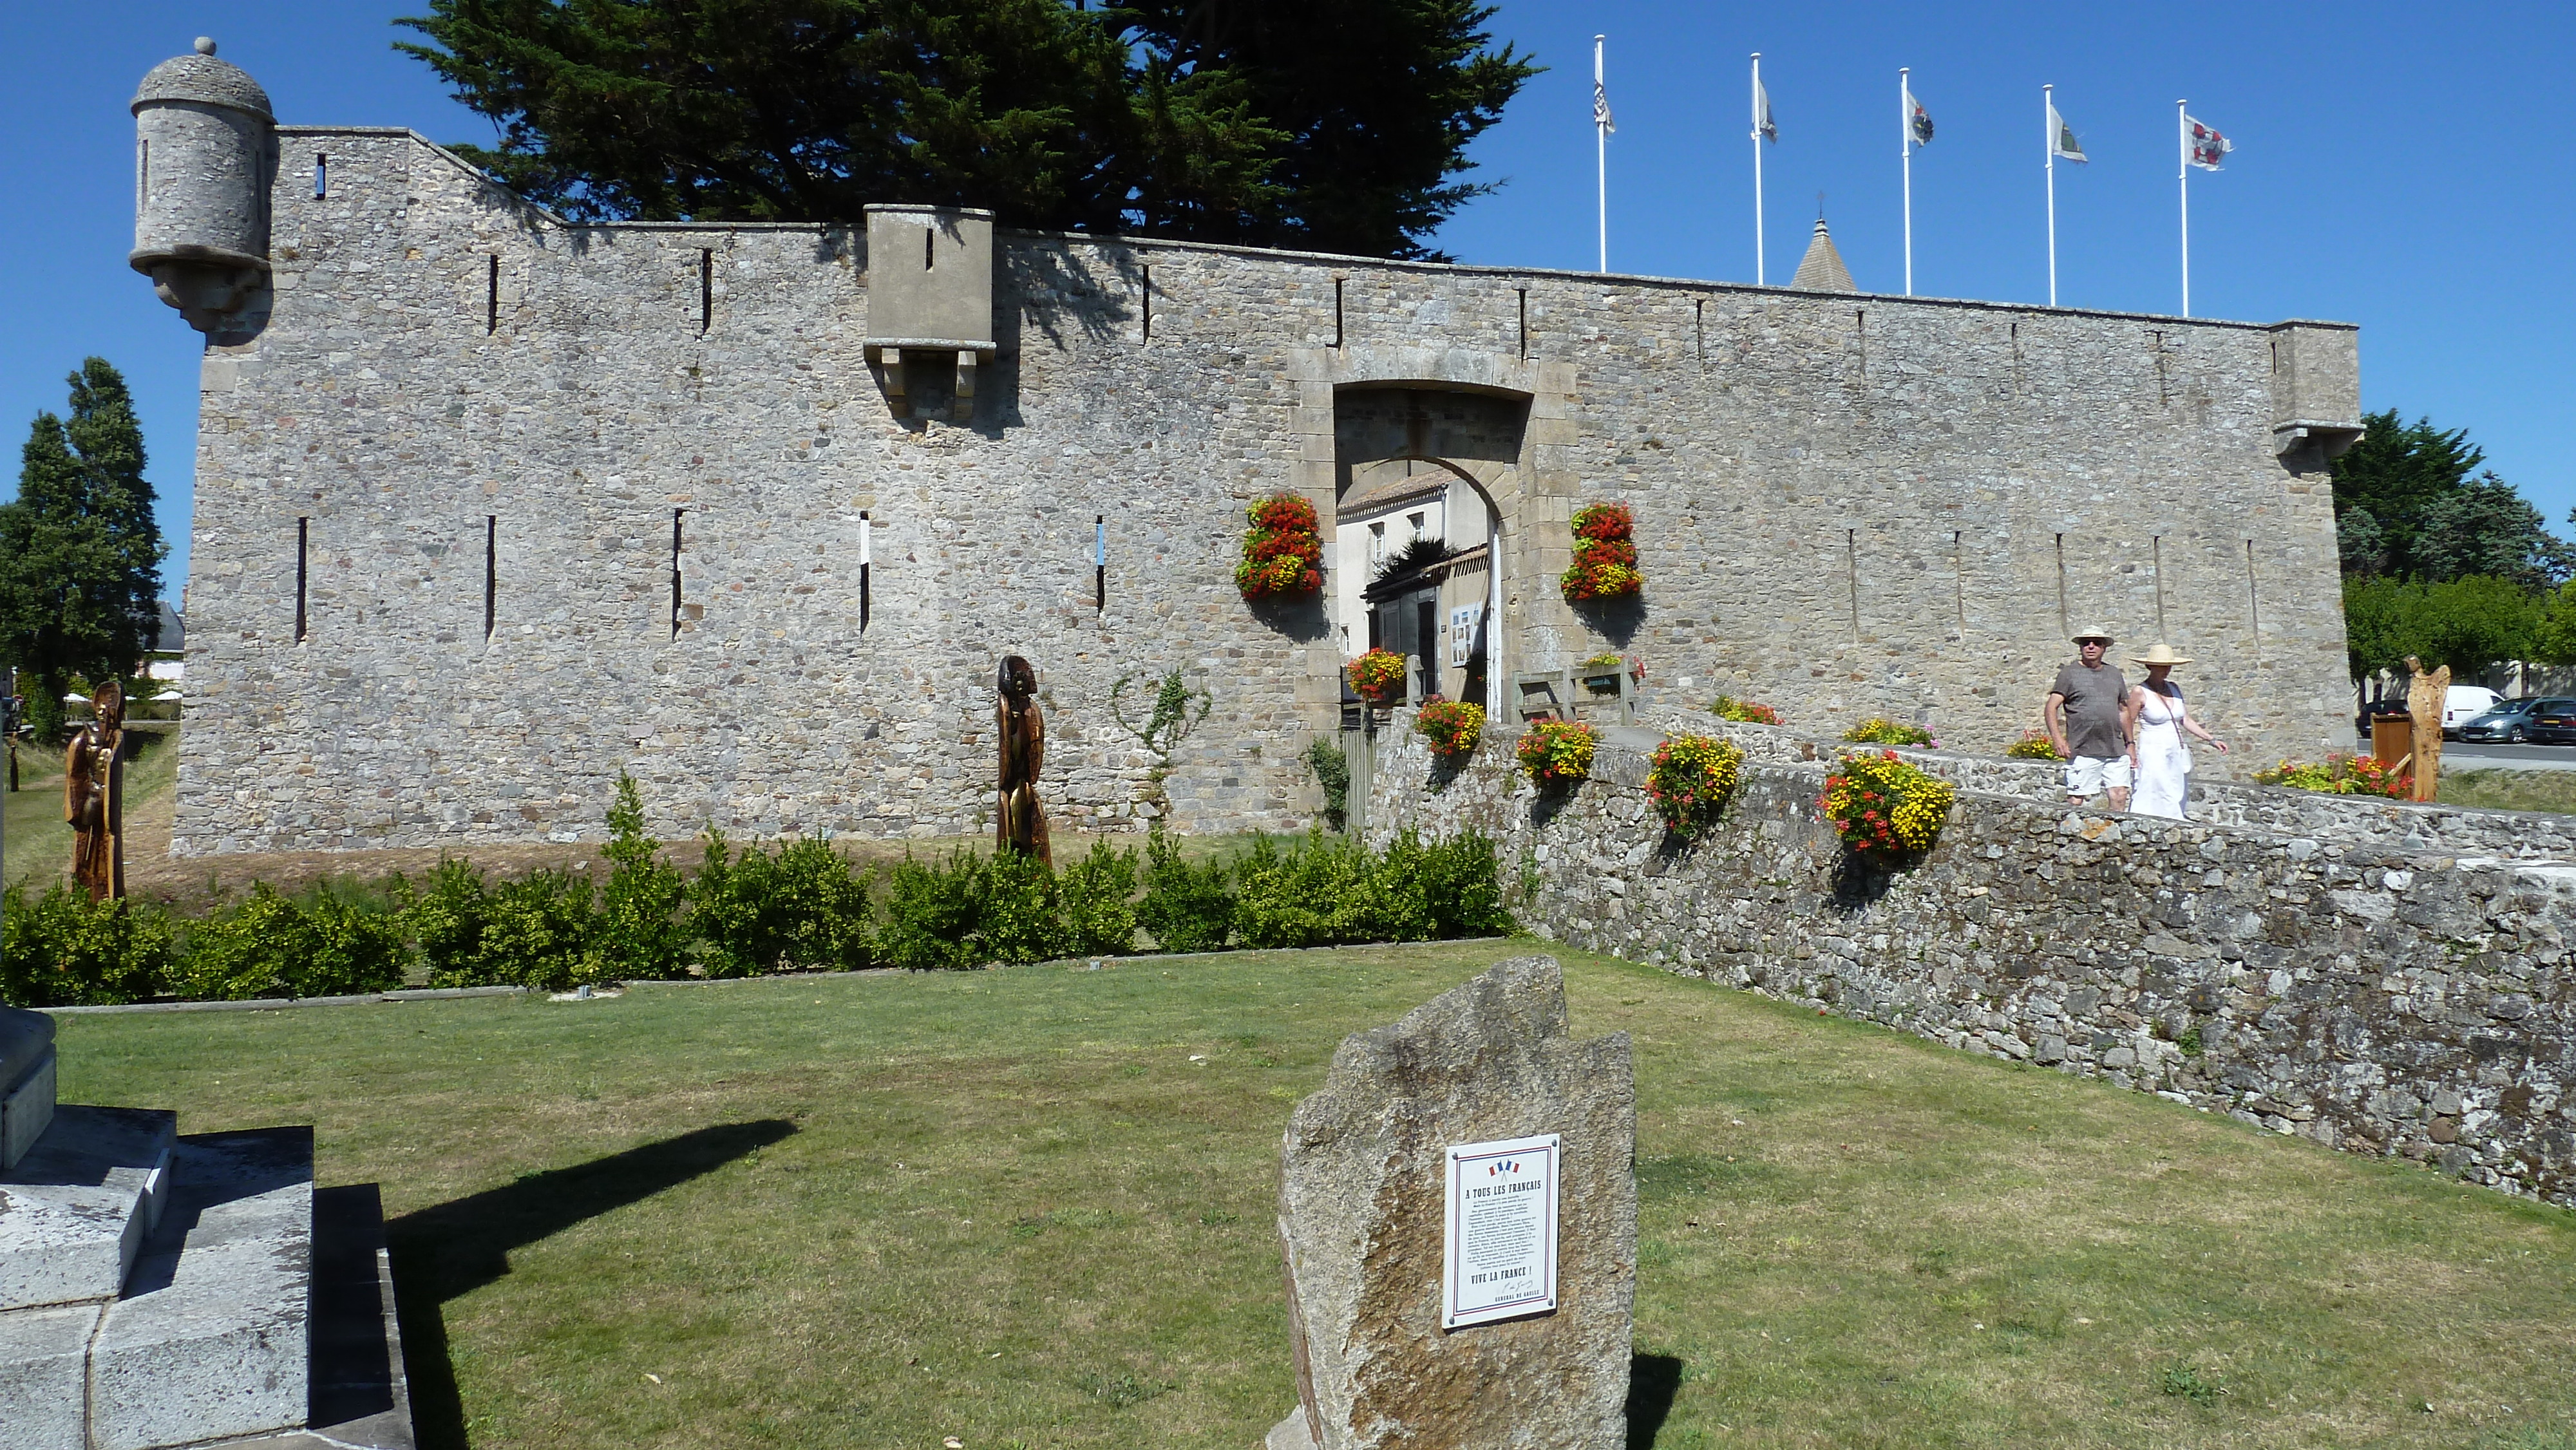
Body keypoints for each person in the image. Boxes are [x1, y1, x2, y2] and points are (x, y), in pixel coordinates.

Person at [2122, 643, 2227, 819]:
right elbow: (2128, 722)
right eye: (2161, 666)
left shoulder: (2174, 688)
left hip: (2175, 749)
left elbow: (2185, 719)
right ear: (2150, 667)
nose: (2165, 670)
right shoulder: (2140, 692)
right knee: (2155, 788)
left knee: (2176, 787)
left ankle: (2174, 822)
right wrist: (2130, 747)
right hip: (2153, 749)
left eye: (2168, 666)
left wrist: (2211, 739)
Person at [2046, 627, 2132, 810]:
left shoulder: (2114, 674)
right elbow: (2051, 707)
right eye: (2086, 643)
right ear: (2080, 647)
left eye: (2096, 643)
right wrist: (2058, 739)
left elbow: (2123, 710)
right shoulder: (2069, 674)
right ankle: (2069, 837)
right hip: (2083, 749)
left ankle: (2115, 836)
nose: (2091, 647)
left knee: (2120, 795)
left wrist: (2130, 743)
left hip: (2114, 748)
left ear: (2104, 648)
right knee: (2076, 800)